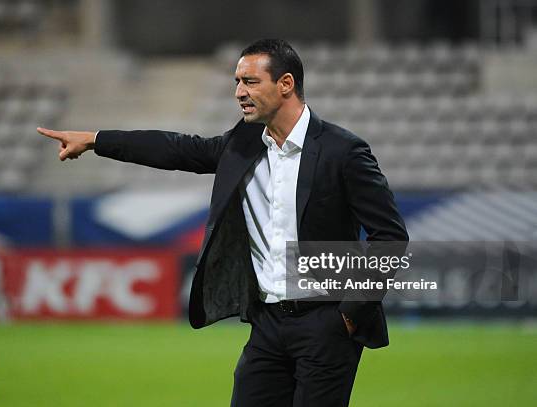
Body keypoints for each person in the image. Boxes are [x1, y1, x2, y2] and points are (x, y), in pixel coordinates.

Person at [37, 38, 408, 407]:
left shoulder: (342, 151)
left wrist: (349, 313)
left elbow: (389, 236)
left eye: (250, 81)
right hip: (267, 326)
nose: (239, 92)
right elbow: (177, 148)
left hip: (325, 323)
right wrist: (96, 140)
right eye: (236, 82)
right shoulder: (243, 143)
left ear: (286, 85)